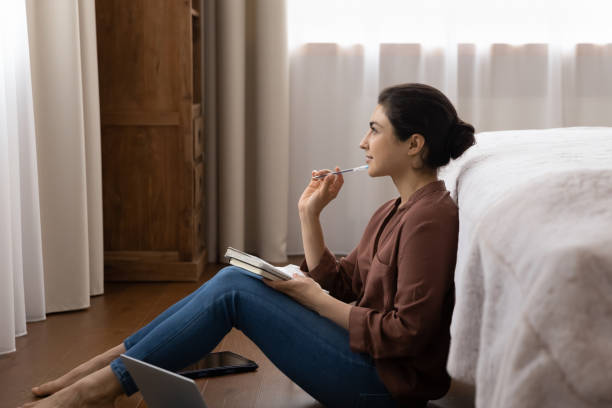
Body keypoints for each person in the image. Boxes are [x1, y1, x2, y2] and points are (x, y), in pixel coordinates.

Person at [21, 83, 475, 408]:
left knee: (234, 289)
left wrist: (312, 299)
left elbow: (407, 333)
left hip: (383, 386)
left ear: (414, 144)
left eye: (375, 130)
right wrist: (309, 216)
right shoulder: (394, 209)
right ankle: (106, 370)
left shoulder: (431, 219)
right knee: (237, 276)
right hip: (367, 363)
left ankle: (98, 387)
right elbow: (343, 283)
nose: (363, 142)